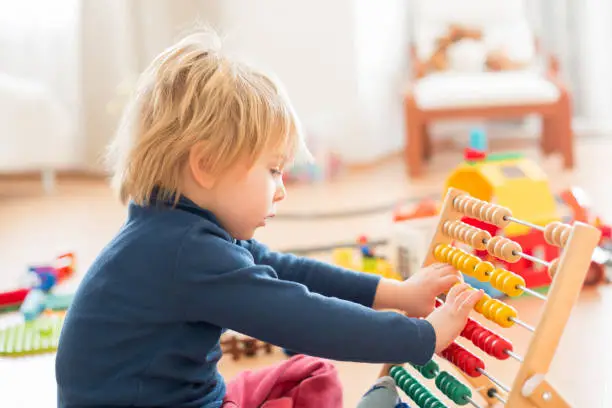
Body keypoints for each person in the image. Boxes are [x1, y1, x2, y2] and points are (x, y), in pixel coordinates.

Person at [55, 28, 483, 408]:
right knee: (310, 366)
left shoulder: (176, 229)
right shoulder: (184, 253)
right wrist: (422, 338)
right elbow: (303, 318)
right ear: (205, 164)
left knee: (309, 376)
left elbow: (285, 272)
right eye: (272, 169)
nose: (281, 187)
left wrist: (400, 295)